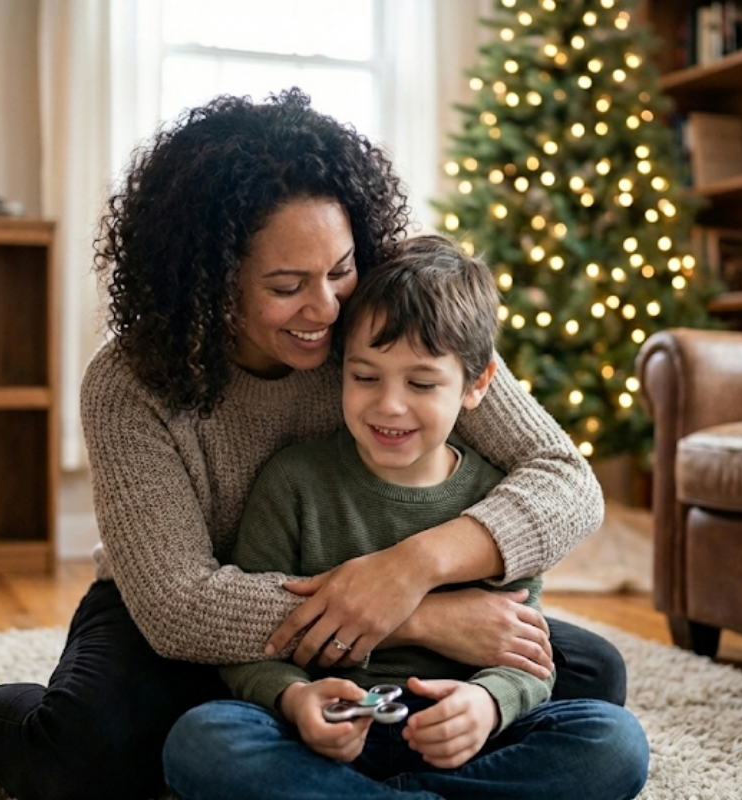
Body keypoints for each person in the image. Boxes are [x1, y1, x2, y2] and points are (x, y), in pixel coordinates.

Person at [0, 89, 624, 800]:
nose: (326, 308)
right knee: (84, 763)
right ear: (209, 281)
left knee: (590, 675)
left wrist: (411, 572)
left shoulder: (385, 322)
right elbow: (177, 605)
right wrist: (422, 620)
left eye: (339, 270)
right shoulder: (130, 380)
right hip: (189, 611)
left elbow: (564, 479)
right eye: (285, 287)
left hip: (367, 584)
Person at [162, 236, 648, 800]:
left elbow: (526, 653)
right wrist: (296, 700)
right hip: (328, 733)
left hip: (456, 736)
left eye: (420, 383)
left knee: (614, 741)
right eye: (365, 377)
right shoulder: (293, 481)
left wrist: (487, 706)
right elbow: (253, 646)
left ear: (478, 384)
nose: (389, 405)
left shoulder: (499, 500)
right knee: (203, 739)